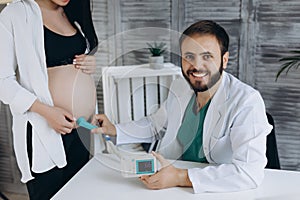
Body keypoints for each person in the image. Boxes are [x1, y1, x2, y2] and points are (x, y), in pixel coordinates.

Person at [92, 20, 272, 193]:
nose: (196, 66)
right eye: (189, 56)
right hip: (171, 184)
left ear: (224, 60)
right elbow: (156, 125)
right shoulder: (180, 85)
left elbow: (249, 173)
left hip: (216, 189)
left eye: (207, 56)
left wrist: (180, 177)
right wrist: (114, 129)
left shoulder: (247, 101)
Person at [0, 0, 98, 199]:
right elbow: (3, 80)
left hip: (81, 131)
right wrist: (47, 112)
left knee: (81, 194)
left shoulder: (72, 12)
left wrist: (90, 62)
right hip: (43, 128)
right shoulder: (15, 14)